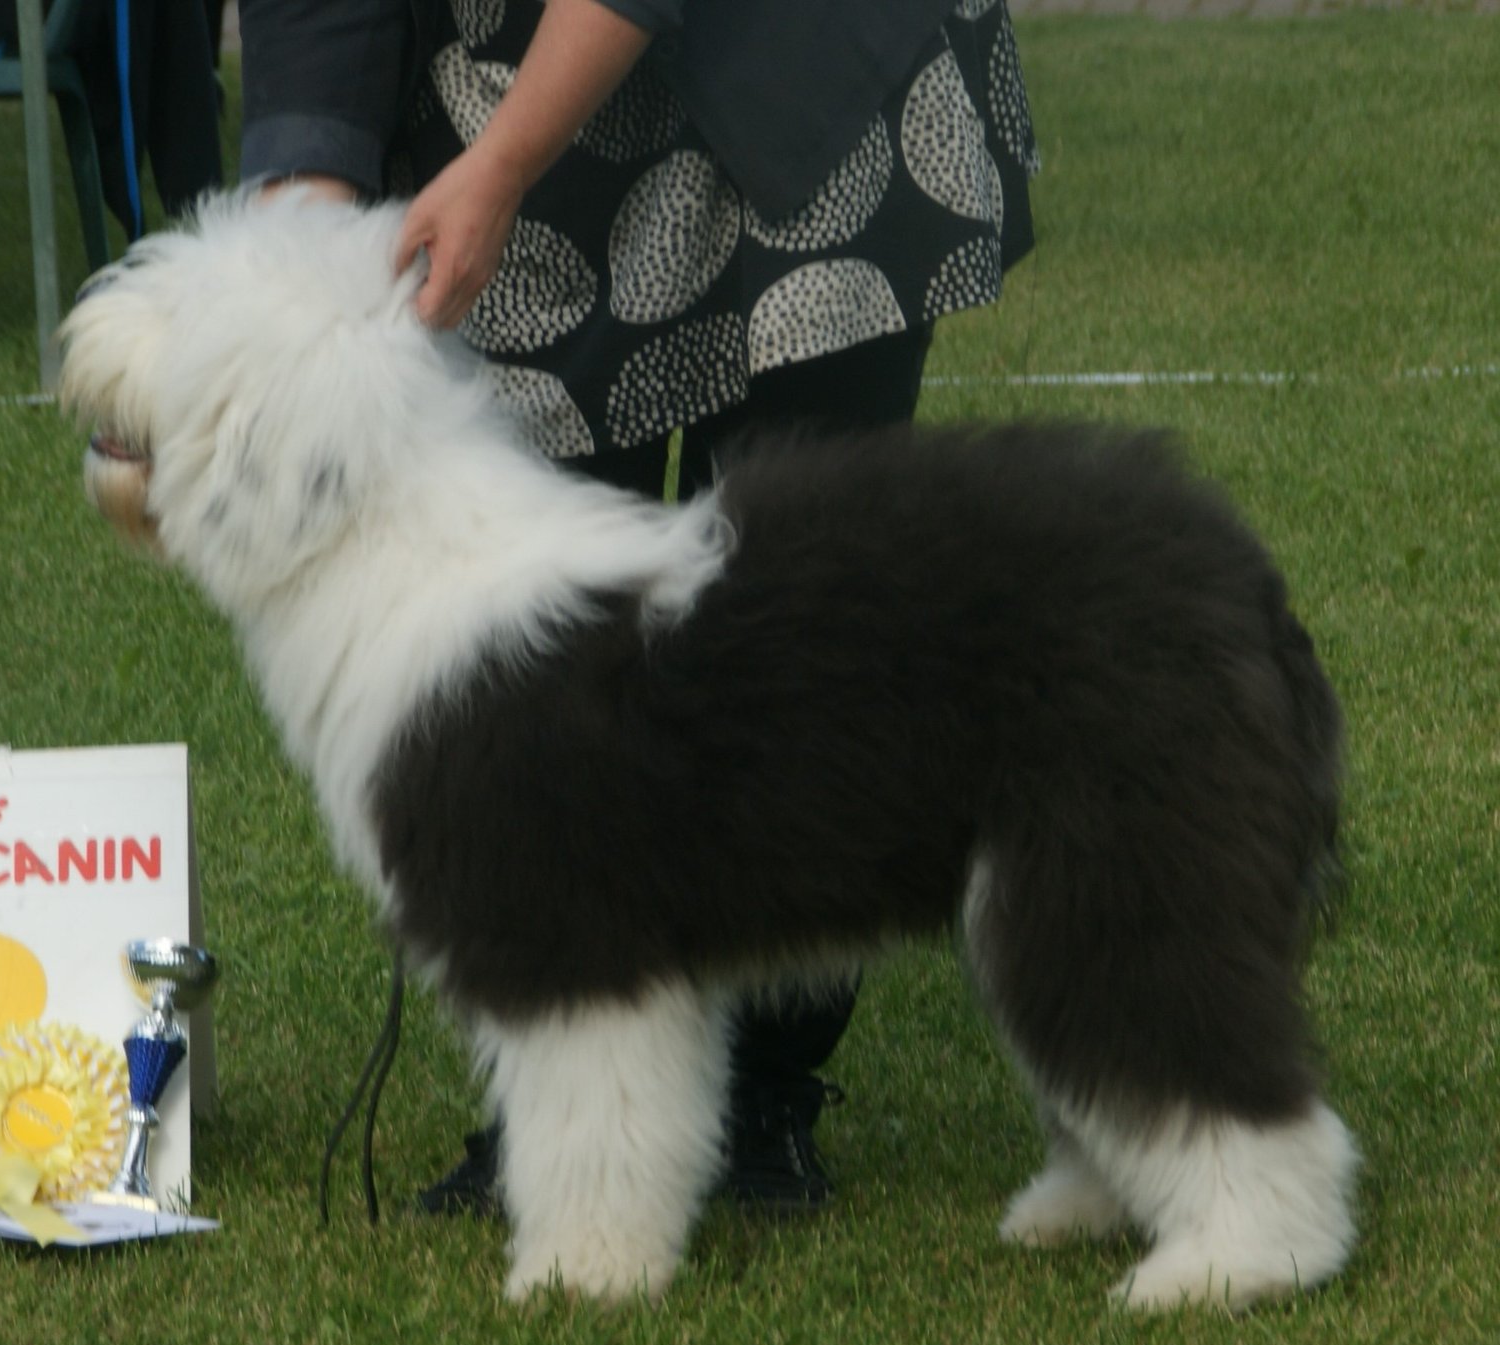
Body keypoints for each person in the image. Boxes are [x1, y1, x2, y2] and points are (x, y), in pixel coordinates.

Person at [239, 0, 1038, 1216]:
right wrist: (306, 193)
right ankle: (569, 1083)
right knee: (532, 670)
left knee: (794, 619)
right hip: (502, 93)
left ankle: (764, 1089)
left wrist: (504, 160)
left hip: (801, 80)